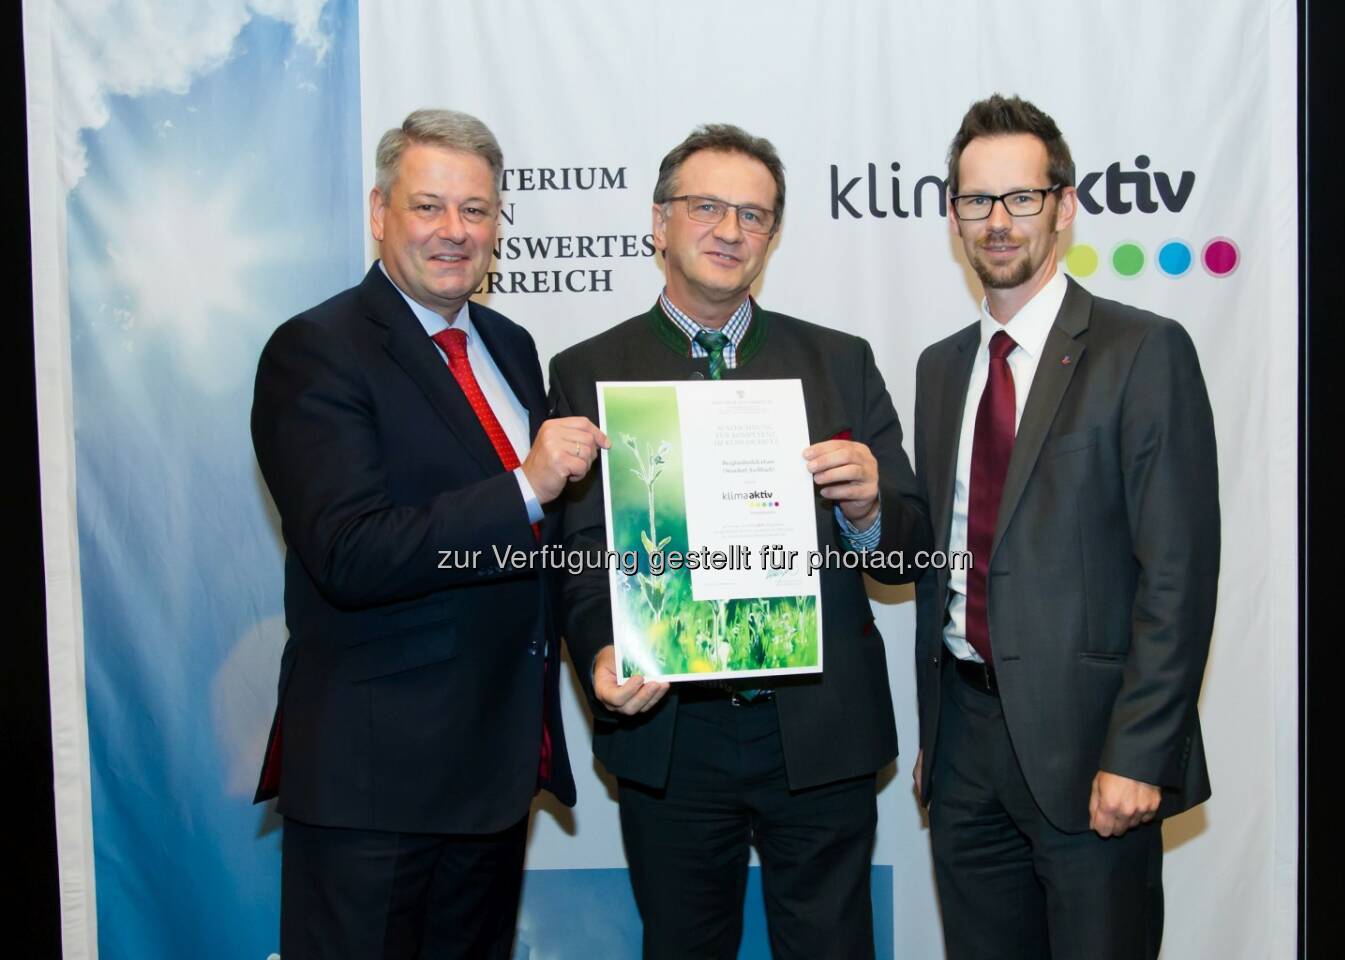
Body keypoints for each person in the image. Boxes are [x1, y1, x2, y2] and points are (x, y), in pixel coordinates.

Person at [549, 124, 929, 960]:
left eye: (753, 215)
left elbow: (908, 552)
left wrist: (869, 509)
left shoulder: (839, 361)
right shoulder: (587, 371)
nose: (730, 230)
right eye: (707, 207)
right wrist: (603, 650)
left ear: (773, 236)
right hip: (674, 733)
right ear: (659, 224)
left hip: (820, 728)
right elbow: (579, 558)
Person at [250, 108, 605, 959]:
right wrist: (522, 486)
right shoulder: (316, 349)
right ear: (379, 213)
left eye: (476, 211)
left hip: (493, 774)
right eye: (429, 206)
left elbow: (546, 548)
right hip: (374, 785)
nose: (455, 232)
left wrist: (612, 639)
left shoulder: (512, 346)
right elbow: (349, 552)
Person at [912, 94, 1221, 960]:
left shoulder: (1142, 349)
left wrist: (1141, 752)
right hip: (964, 747)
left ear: (1065, 205)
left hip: (1093, 751)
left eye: (1021, 198)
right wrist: (936, 739)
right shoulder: (941, 371)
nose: (998, 222)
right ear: (952, 215)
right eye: (977, 201)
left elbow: (1178, 575)